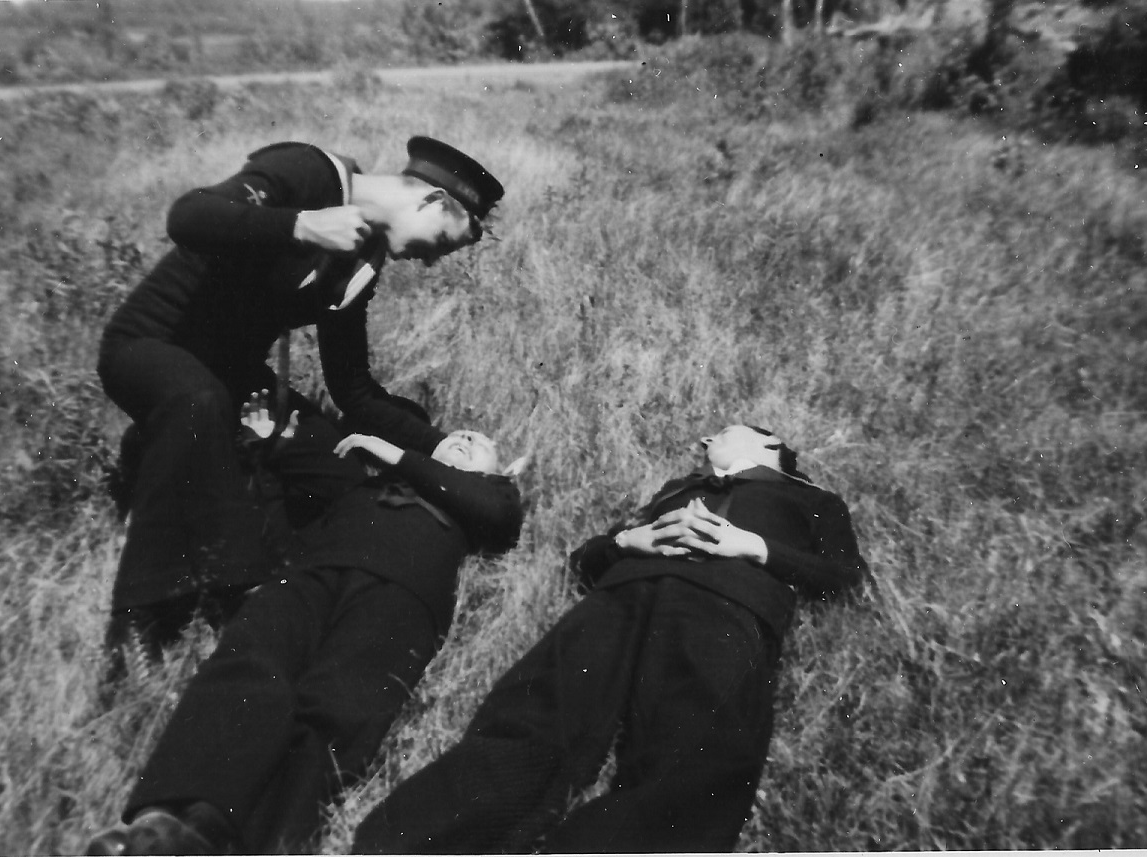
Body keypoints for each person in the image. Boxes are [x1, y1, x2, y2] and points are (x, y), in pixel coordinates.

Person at [350, 424, 869, 854]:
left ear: (770, 441)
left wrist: (752, 546)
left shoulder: (814, 499)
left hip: (728, 604)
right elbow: (583, 561)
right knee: (533, 715)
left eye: (721, 432)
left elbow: (844, 575)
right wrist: (626, 541)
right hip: (621, 594)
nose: (705, 440)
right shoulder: (675, 489)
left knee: (698, 756)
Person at [97, 136, 506, 651]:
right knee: (197, 402)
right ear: (431, 200)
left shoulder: (360, 263)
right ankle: (146, 619)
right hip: (149, 346)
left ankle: (277, 564)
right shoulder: (308, 172)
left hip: (228, 380)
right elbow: (188, 215)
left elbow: (353, 391)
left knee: (337, 472)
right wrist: (300, 225)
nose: (430, 263)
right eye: (443, 243)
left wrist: (437, 444)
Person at [86, 402, 523, 856]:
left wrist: (394, 454)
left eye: (478, 441)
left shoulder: (495, 497)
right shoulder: (368, 484)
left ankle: (237, 841)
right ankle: (166, 822)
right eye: (457, 434)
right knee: (246, 667)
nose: (464, 437)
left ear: (502, 472)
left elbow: (498, 517)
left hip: (403, 594)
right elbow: (284, 536)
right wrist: (263, 457)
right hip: (310, 576)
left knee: (333, 714)